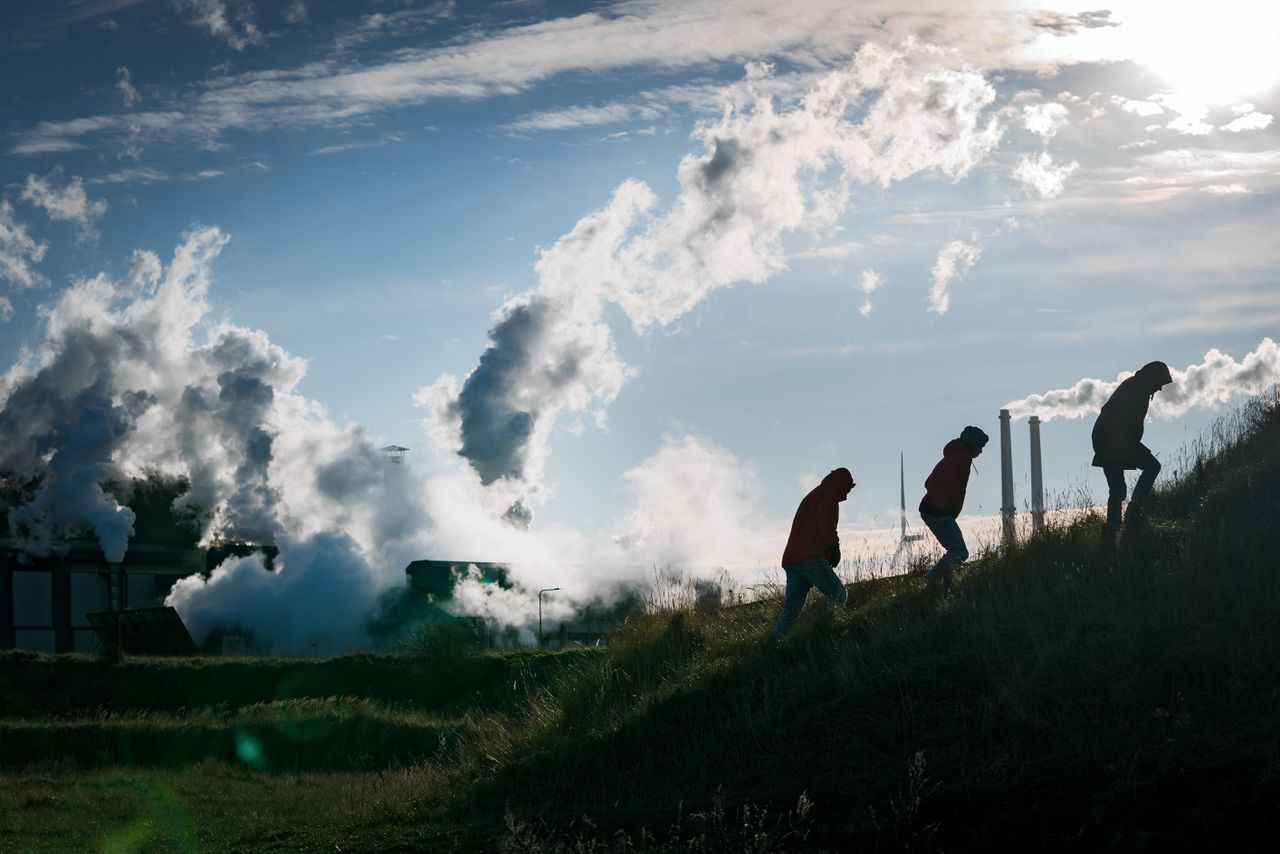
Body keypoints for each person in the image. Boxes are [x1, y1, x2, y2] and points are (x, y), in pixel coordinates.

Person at [1092, 360, 1173, 537]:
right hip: (1115, 441)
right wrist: (1129, 449)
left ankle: (1113, 530)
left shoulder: (1135, 386)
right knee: (1152, 467)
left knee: (1117, 490)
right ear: (1153, 378)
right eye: (1160, 383)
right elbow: (1128, 423)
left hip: (1109, 441)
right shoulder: (1136, 390)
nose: (1160, 389)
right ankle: (1133, 513)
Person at [771, 467, 854, 636]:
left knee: (791, 610)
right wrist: (834, 547)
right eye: (848, 487)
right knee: (838, 594)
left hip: (793, 560)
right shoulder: (827, 496)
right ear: (841, 484)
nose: (848, 491)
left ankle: (773, 644)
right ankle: (830, 632)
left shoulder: (816, 494)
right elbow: (825, 523)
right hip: (809, 558)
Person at [919, 426, 989, 589]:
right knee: (959, 552)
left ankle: (946, 585)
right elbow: (954, 485)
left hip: (928, 508)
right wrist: (953, 506)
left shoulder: (950, 456)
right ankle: (930, 580)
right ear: (974, 444)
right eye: (980, 447)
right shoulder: (963, 458)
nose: (981, 452)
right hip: (940, 511)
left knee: (953, 550)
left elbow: (927, 482)